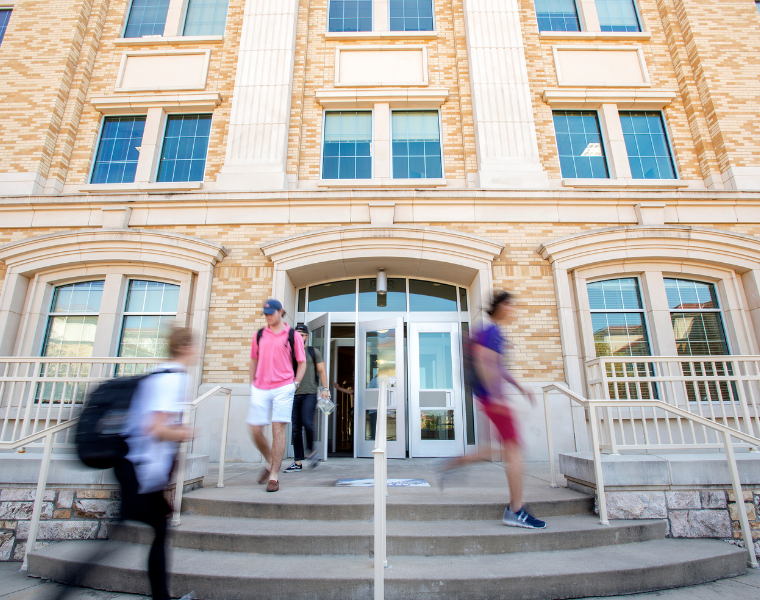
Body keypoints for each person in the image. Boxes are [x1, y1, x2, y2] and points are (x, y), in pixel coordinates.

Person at [439, 291, 546, 530]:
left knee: (504, 450)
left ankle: (455, 463)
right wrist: (496, 396)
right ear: (499, 306)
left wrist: (520, 387)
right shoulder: (493, 331)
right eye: (509, 305)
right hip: (493, 400)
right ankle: (515, 510)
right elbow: (484, 361)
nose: (512, 310)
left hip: (490, 398)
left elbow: (497, 366)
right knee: (515, 450)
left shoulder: (490, 332)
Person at [115, 326, 196, 600]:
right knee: (156, 531)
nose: (196, 352)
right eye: (193, 346)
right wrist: (185, 432)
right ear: (184, 348)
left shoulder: (161, 374)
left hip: (137, 468)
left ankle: (160, 595)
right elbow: (155, 427)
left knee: (156, 530)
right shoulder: (171, 379)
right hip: (140, 469)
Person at [248, 298, 306, 492]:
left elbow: (301, 361)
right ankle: (271, 460)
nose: (268, 317)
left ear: (280, 312)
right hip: (260, 387)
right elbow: (253, 360)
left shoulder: (292, 335)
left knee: (277, 429)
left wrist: (295, 384)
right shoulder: (259, 335)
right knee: (255, 430)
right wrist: (252, 384)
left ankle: (274, 476)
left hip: (283, 387)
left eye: (271, 313)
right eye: (265, 314)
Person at [283, 324, 331, 472]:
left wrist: (325, 389)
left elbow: (322, 370)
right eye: (297, 334)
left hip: (309, 393)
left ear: (307, 337)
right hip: (293, 394)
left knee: (308, 423)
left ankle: (311, 451)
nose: (299, 336)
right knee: (296, 429)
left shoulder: (312, 351)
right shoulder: (289, 352)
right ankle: (297, 462)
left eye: (302, 334)